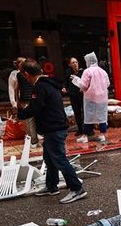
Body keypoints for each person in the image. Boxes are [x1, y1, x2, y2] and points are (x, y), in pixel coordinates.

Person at [16, 59, 87, 204]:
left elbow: (36, 107)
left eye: (24, 76)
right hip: (54, 127)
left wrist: (21, 114)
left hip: (53, 128)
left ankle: (77, 188)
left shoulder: (40, 87)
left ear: (27, 74)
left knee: (60, 160)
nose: (25, 79)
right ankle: (51, 186)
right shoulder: (50, 84)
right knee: (49, 159)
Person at [78, 52, 110, 143]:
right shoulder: (103, 72)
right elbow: (108, 84)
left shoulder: (87, 71)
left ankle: (85, 136)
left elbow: (83, 85)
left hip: (90, 98)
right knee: (102, 116)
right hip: (102, 98)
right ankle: (102, 135)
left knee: (89, 116)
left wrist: (79, 84)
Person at [11, 56, 39, 147]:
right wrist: (17, 100)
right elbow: (16, 88)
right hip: (26, 99)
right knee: (29, 121)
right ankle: (33, 140)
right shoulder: (20, 75)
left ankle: (32, 139)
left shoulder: (27, 73)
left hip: (32, 97)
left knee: (30, 120)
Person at [63, 57, 84, 135]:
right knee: (77, 112)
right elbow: (65, 82)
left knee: (84, 112)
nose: (75, 64)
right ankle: (80, 129)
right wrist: (64, 88)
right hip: (73, 95)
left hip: (82, 95)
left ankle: (87, 129)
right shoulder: (68, 72)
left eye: (76, 62)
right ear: (70, 65)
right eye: (73, 63)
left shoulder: (82, 72)